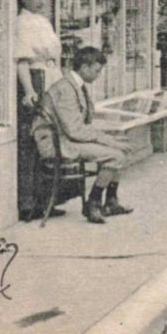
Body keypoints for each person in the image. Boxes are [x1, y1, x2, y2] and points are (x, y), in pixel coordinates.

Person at [33, 47, 132, 224]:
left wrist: (111, 139)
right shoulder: (65, 89)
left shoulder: (74, 86)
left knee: (122, 147)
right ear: (85, 68)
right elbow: (75, 130)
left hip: (66, 138)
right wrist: (109, 140)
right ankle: (92, 203)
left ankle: (111, 201)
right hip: (57, 143)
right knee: (116, 155)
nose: (98, 75)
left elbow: (79, 126)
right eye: (97, 71)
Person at [15, 0, 66, 221]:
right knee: (32, 140)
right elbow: (22, 60)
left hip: (51, 77)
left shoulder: (43, 21)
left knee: (49, 139)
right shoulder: (22, 23)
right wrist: (29, 90)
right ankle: (28, 202)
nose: (42, 1)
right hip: (36, 79)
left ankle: (47, 199)